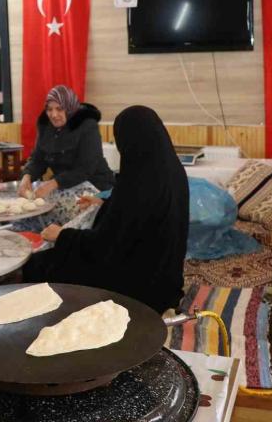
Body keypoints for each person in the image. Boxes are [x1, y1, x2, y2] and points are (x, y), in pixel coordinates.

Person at [23, 105, 189, 313]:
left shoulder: (138, 183)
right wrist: (104, 203)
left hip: (138, 288)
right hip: (165, 281)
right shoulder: (170, 170)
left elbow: (105, 246)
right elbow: (139, 216)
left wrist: (62, 235)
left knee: (42, 264)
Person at [19, 85, 114, 200]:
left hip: (96, 186)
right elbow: (38, 159)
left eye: (59, 109)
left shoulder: (87, 125)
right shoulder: (46, 126)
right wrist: (27, 176)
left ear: (70, 108)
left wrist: (53, 183)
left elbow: (86, 168)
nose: (54, 115)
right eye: (49, 109)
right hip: (64, 186)